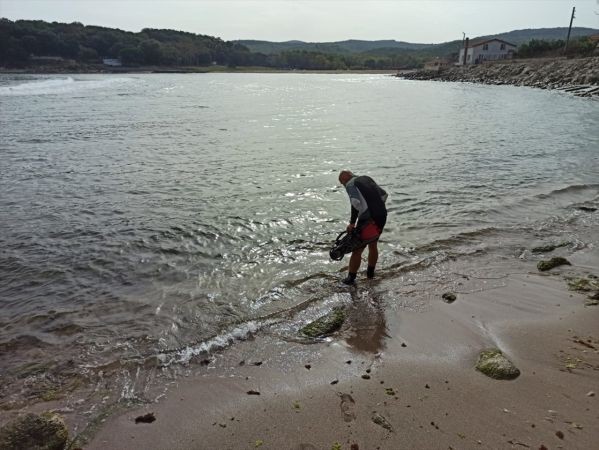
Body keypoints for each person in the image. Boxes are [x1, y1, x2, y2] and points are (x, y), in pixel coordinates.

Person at [338, 170, 388, 285]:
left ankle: (350, 279)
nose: (344, 186)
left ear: (345, 179)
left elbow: (356, 203)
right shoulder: (366, 178)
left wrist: (352, 223)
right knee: (373, 245)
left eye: (342, 183)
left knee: (357, 250)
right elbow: (384, 195)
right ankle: (370, 274)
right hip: (382, 216)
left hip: (368, 220)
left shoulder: (350, 184)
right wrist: (377, 209)